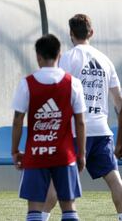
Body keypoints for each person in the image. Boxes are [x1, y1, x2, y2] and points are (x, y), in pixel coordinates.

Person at [42, 14, 122, 221]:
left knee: (58, 182)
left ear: (70, 34)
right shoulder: (106, 61)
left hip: (75, 132)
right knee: (115, 180)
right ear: (91, 33)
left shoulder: (67, 58)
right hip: (102, 132)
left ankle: (39, 218)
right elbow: (120, 104)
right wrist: (120, 140)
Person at [12, 34, 86, 221]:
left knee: (35, 208)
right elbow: (80, 122)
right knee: (69, 207)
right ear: (59, 55)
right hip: (64, 154)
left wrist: (14, 150)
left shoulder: (27, 84)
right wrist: (81, 153)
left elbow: (18, 120)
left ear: (38, 56)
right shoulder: (73, 83)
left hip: (36, 154)